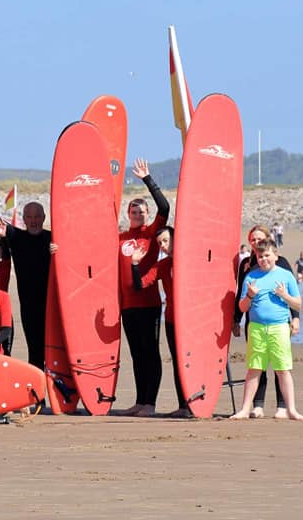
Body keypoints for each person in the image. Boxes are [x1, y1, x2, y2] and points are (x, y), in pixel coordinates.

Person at [0, 176, 51, 370]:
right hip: (29, 306)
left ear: (44, 218)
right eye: (29, 217)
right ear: (23, 219)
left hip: (52, 305)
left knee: (55, 351)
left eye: (37, 216)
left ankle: (61, 398)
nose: (33, 221)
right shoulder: (17, 237)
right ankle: (39, 398)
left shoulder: (53, 239)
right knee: (35, 353)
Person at [118, 158, 171, 417]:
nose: (138, 216)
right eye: (134, 212)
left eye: (141, 212)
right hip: (127, 306)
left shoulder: (151, 234)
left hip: (149, 304)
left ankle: (151, 403)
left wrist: (147, 179)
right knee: (137, 354)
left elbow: (165, 205)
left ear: (147, 215)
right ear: (128, 215)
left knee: (151, 353)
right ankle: (140, 401)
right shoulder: (120, 238)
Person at [231, 238, 303, 421]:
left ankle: (291, 409)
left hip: (279, 327)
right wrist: (249, 295)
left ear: (275, 255)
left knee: (283, 369)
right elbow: (242, 307)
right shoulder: (251, 276)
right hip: (256, 328)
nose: (264, 259)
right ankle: (244, 409)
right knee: (254, 369)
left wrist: (284, 295)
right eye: (260, 256)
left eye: (267, 255)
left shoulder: (286, 275)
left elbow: (298, 304)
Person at [129, 226, 189, 417]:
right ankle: (183, 405)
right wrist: (135, 264)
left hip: (191, 321)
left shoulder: (190, 261)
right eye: (160, 243)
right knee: (177, 363)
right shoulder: (162, 266)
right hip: (171, 320)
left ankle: (193, 403)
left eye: (166, 240)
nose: (163, 246)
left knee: (188, 362)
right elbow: (141, 285)